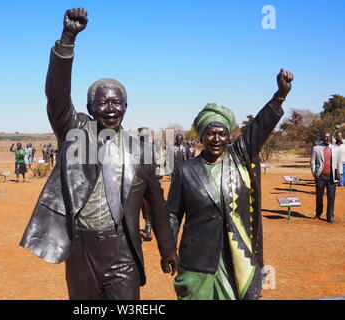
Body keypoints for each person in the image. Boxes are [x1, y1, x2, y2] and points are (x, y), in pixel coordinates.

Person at [20, 8, 178, 300]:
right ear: (90, 108)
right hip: (81, 249)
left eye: (117, 103)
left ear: (126, 108)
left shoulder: (141, 153)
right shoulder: (75, 132)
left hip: (123, 251)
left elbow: (156, 205)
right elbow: (56, 96)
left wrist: (168, 250)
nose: (111, 108)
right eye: (103, 103)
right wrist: (68, 39)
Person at [168, 69, 294, 300]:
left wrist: (280, 96)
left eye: (222, 134)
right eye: (210, 133)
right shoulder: (185, 171)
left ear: (229, 137)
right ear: (201, 136)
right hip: (196, 258)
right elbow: (173, 215)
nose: (217, 139)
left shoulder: (239, 159)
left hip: (236, 254)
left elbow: (259, 127)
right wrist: (168, 250)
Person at [311, 132, 342, 222]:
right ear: (322, 138)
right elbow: (312, 162)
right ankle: (318, 213)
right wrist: (314, 173)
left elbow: (339, 162)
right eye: (325, 137)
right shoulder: (316, 148)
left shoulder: (336, 149)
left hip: (332, 176)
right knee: (319, 197)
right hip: (320, 176)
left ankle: (330, 216)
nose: (327, 139)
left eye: (329, 137)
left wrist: (339, 173)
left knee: (331, 197)